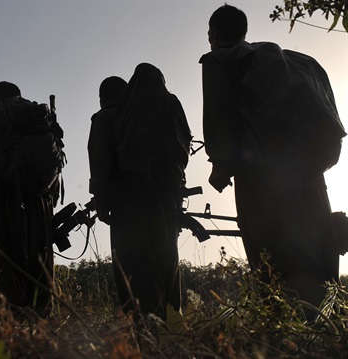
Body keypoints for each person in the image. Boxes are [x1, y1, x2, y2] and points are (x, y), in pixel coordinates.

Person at [200, 4, 345, 311]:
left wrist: (221, 166)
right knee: (318, 252)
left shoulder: (219, 60)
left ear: (213, 34)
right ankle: (327, 334)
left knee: (273, 261)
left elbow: (220, 117)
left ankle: (286, 339)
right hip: (310, 177)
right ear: (244, 31)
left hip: (261, 182)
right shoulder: (296, 62)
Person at [88, 67, 192, 320]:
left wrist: (101, 202)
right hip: (168, 201)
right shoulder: (163, 109)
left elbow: (100, 163)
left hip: (129, 206)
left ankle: (144, 333)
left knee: (135, 270)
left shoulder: (106, 118)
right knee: (167, 264)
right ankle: (173, 328)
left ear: (102, 99)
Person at [0, 81, 62, 316]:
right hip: (41, 202)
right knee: (41, 263)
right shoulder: (42, 116)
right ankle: (41, 323)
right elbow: (56, 162)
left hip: (3, 203)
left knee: (5, 266)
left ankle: (9, 326)